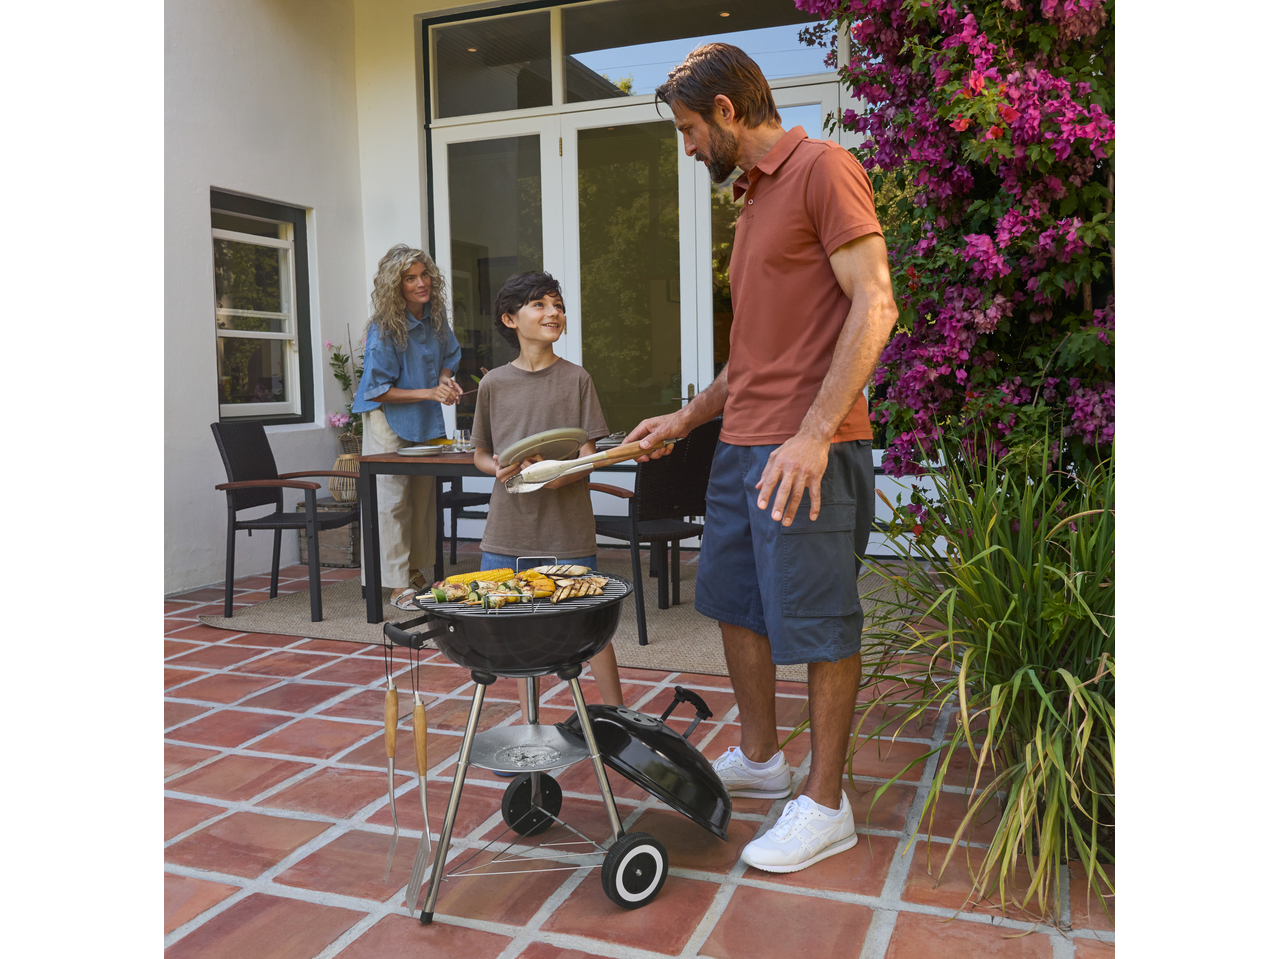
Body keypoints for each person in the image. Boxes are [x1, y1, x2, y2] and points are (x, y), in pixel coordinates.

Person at [625, 44, 899, 873]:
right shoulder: (750, 206)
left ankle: (824, 801)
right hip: (742, 446)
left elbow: (876, 301)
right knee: (735, 602)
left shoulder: (823, 170)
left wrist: (814, 433)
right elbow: (752, 357)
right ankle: (760, 753)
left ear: (727, 113)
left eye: (687, 130)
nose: (688, 147)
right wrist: (683, 417)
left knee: (818, 625)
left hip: (808, 450)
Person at [471, 271, 623, 722]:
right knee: (517, 632)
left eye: (557, 304)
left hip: (568, 529)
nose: (553, 312)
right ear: (510, 319)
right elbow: (481, 455)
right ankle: (531, 725)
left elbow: (591, 453)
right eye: (539, 304)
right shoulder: (493, 384)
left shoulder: (577, 379)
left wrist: (564, 474)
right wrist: (496, 468)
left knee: (592, 627)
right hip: (506, 532)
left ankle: (619, 720)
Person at [352, 245, 464, 610]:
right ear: (394, 285)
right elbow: (378, 389)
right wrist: (431, 392)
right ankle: (395, 582)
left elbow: (450, 356)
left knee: (423, 497)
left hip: (424, 414)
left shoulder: (435, 316)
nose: (421, 283)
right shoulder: (384, 329)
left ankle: (416, 570)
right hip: (387, 418)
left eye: (424, 275)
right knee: (391, 501)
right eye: (410, 278)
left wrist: (445, 382)